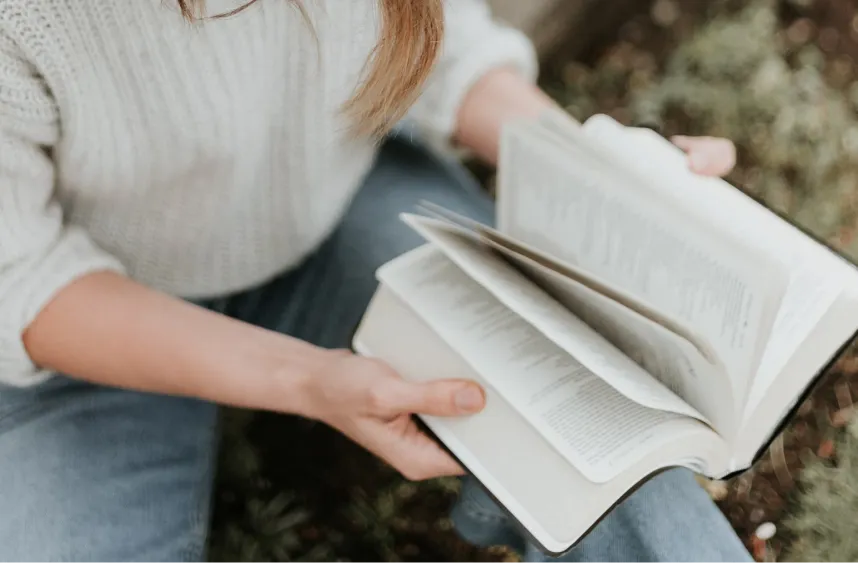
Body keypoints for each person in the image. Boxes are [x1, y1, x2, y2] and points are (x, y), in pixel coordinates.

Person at [0, 1, 750, 561]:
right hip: (80, 318)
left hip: (332, 201)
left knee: (599, 440)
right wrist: (308, 380)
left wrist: (608, 185)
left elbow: (444, 47)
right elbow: (21, 274)